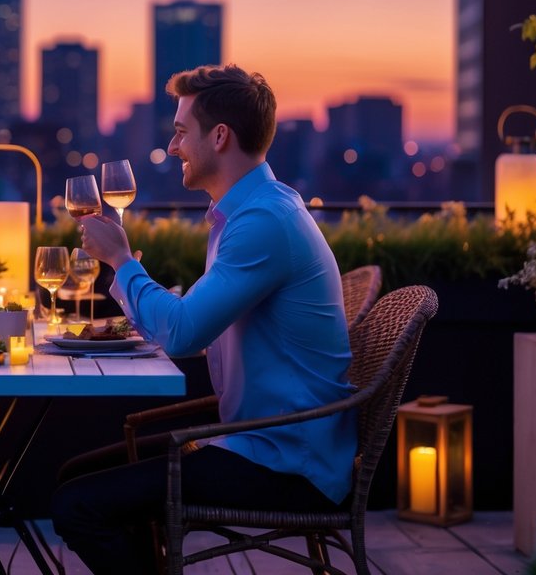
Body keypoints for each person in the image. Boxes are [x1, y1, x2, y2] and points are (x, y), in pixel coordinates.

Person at [51, 64, 356, 574]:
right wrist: (141, 289)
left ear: (219, 136)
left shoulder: (262, 222)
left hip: (288, 462)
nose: (172, 149)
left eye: (179, 132)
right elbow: (190, 323)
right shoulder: (251, 212)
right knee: (75, 477)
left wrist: (123, 263)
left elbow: (181, 333)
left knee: (77, 504)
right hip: (265, 440)